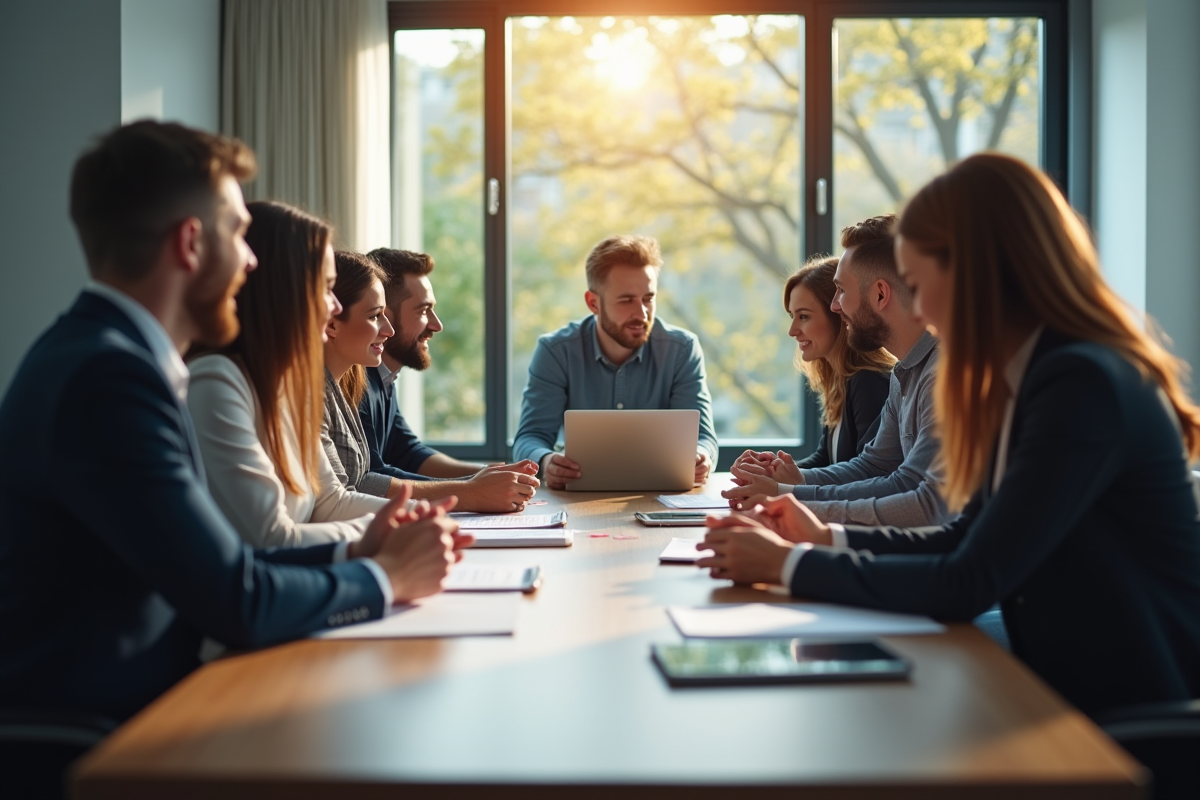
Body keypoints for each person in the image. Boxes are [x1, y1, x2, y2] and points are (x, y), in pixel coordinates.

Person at [699, 153, 1200, 719]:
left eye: (917, 282)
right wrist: (820, 538)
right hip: (1055, 689)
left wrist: (786, 566)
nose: (921, 309)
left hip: (1122, 719)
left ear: (975, 272)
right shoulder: (1033, 375)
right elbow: (965, 536)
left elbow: (970, 578)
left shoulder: (1078, 383)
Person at [0, 121, 466, 724]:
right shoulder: (108, 378)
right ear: (191, 245)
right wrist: (384, 575)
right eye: (239, 234)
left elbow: (227, 570)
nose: (252, 262)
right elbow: (235, 596)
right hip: (100, 735)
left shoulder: (104, 356)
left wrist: (364, 554)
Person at [187, 202, 398, 548]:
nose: (335, 306)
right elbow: (270, 538)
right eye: (326, 288)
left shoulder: (290, 384)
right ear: (282, 290)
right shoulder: (217, 383)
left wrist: (418, 517)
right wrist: (388, 529)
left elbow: (330, 502)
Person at [723, 216, 949, 527]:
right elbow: (873, 466)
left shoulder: (943, 376)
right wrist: (787, 484)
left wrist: (787, 500)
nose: (835, 306)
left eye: (841, 290)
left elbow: (910, 489)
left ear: (880, 295)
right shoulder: (904, 372)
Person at [511, 234, 719, 488]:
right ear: (593, 303)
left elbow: (704, 438)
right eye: (626, 300)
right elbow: (529, 438)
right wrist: (546, 462)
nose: (642, 313)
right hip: (578, 501)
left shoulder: (682, 350)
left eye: (648, 298)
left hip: (661, 500)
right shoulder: (556, 351)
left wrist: (702, 457)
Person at [362, 247, 541, 511]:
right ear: (384, 316)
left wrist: (488, 476)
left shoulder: (384, 377)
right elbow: (369, 480)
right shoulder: (356, 382)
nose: (437, 325)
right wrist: (472, 490)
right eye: (424, 311)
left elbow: (408, 453)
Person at [758, 255, 893, 470]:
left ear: (838, 314)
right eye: (792, 316)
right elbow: (825, 460)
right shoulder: (840, 379)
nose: (792, 331)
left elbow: (867, 473)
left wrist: (783, 483)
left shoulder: (868, 381)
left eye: (803, 316)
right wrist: (775, 471)